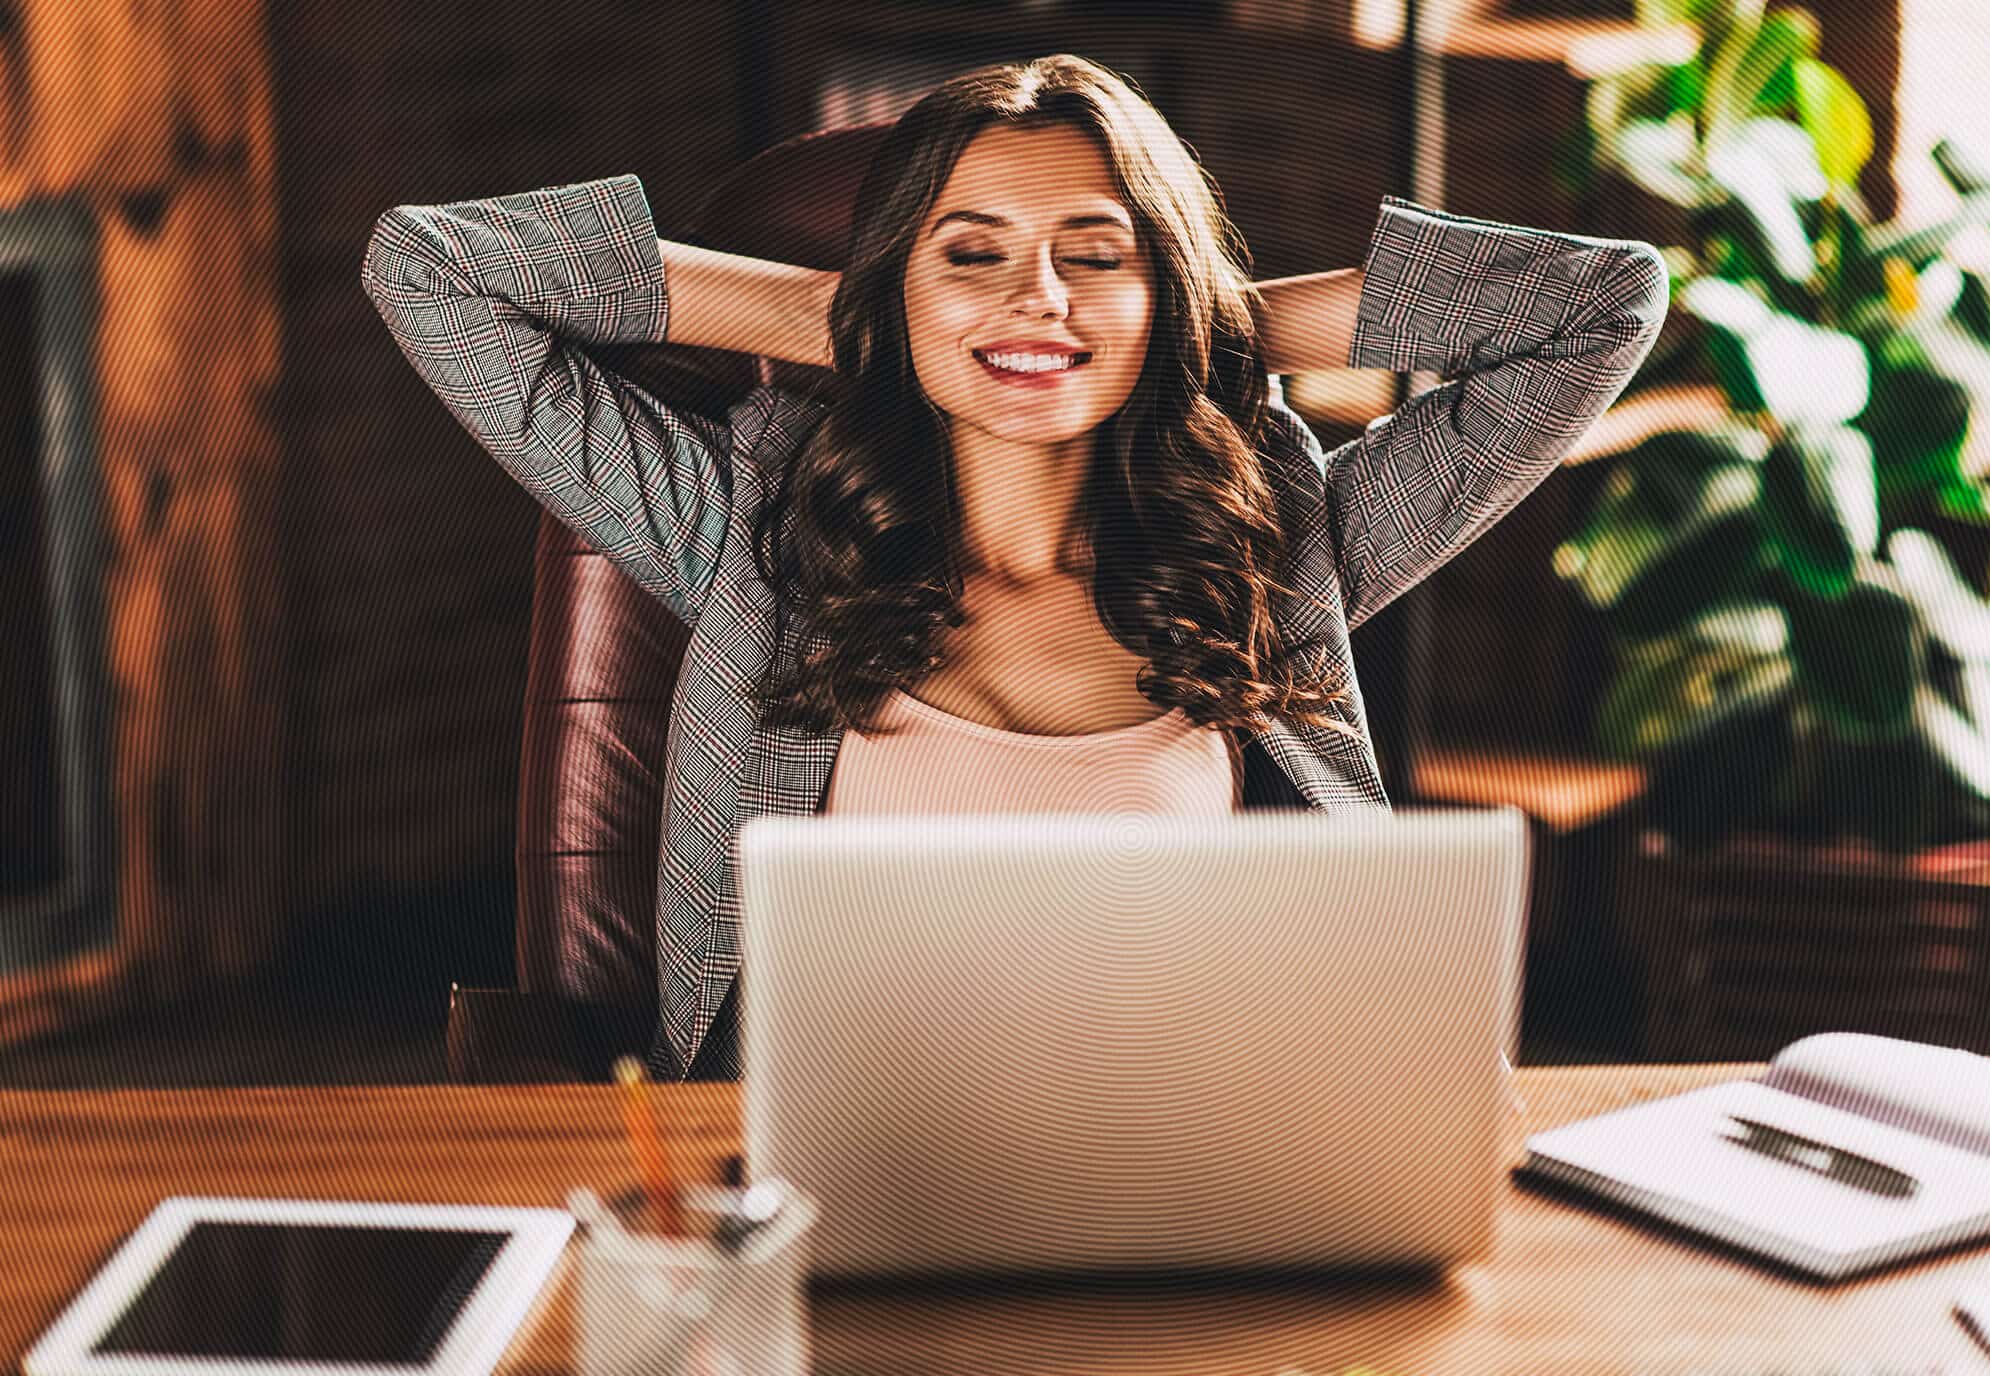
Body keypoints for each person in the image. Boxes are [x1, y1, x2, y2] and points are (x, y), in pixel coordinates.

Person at [360, 53, 1669, 1081]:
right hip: (843, 1166)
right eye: (970, 252)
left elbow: (1600, 302)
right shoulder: (748, 527)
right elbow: (429, 269)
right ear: (895, 286)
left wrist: (1202, 328)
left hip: (1202, 1150)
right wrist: (824, 315)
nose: (1035, 297)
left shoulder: (1278, 538)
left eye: (1095, 256)